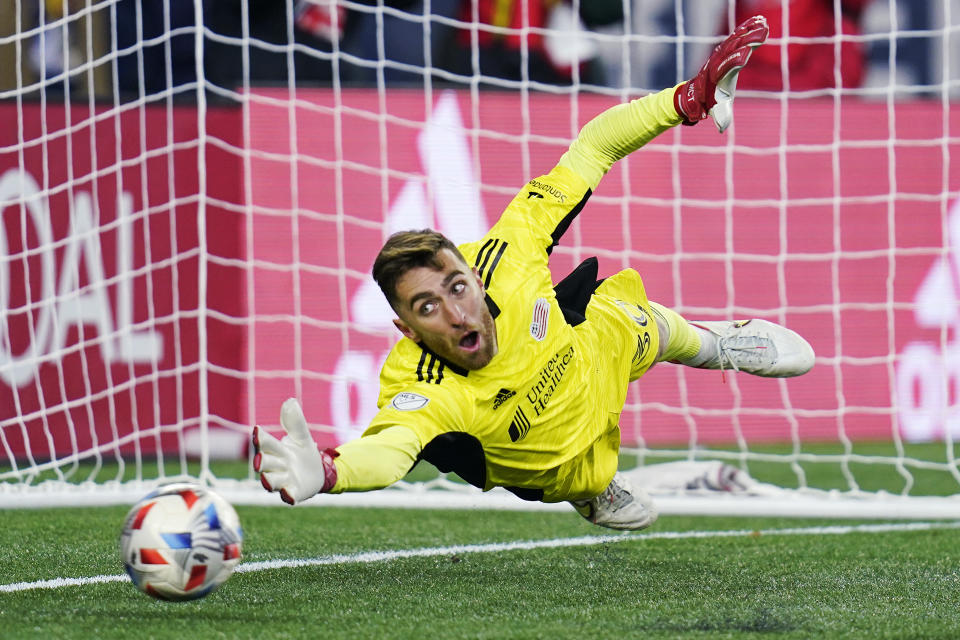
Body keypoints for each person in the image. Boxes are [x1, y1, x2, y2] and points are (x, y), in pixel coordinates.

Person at [252, 15, 813, 531]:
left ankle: (719, 344)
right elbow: (389, 450)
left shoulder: (509, 254)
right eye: (427, 308)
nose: (455, 312)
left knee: (635, 321)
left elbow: (593, 148)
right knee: (562, 469)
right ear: (407, 332)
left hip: (586, 358)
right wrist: (331, 471)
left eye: (456, 287)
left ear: (472, 274)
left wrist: (686, 99)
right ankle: (597, 491)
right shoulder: (420, 386)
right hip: (557, 468)